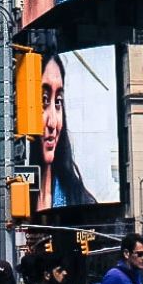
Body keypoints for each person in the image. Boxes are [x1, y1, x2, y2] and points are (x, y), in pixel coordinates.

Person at [35, 54, 92, 211]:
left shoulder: (81, 201)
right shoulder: (3, 201)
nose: (53, 122)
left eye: (58, 101)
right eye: (43, 100)